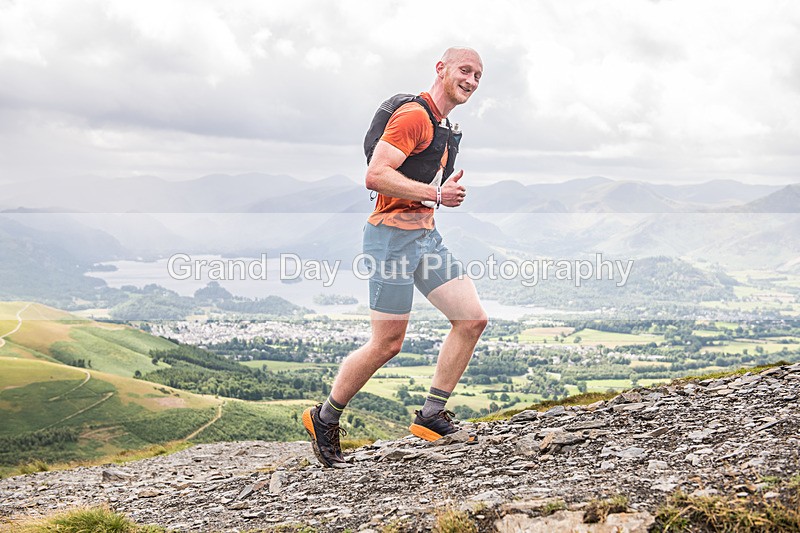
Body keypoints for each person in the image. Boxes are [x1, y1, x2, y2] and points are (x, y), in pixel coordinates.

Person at [302, 47, 487, 467]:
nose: (472, 80)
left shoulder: (442, 127)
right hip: (390, 242)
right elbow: (376, 173)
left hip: (426, 239)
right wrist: (438, 193)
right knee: (387, 344)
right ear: (440, 70)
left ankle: (431, 415)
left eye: (478, 75)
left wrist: (436, 193)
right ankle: (324, 417)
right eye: (465, 70)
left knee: (472, 319)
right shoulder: (414, 116)